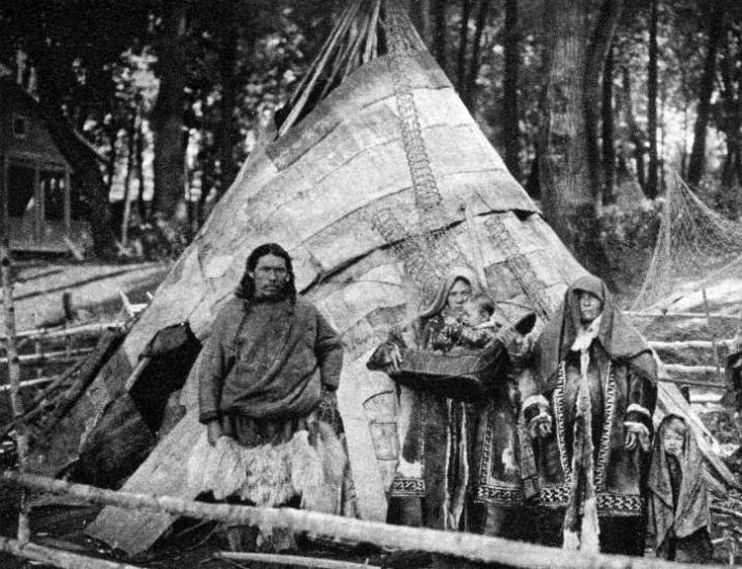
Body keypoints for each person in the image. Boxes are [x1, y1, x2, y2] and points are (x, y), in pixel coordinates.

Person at [196, 243, 350, 549]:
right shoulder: (232, 313)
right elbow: (211, 367)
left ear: (289, 275)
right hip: (241, 418)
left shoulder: (305, 312)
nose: (273, 277)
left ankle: (282, 551)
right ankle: (243, 552)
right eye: (265, 269)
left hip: (290, 418)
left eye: (280, 270)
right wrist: (211, 419)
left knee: (288, 489)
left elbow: (332, 346)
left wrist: (326, 388)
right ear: (252, 273)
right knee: (238, 489)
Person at [523, 274, 658, 555]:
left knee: (614, 524)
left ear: (603, 301)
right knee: (558, 516)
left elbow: (643, 369)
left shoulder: (622, 338)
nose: (585, 303)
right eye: (580, 298)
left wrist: (637, 414)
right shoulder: (553, 342)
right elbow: (534, 378)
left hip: (615, 446)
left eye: (592, 297)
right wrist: (538, 410)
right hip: (559, 444)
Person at [368, 268, 478, 530]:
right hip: (427, 411)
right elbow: (381, 354)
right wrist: (389, 352)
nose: (459, 299)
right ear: (444, 297)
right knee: (420, 466)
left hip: (464, 411)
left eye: (465, 293)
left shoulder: (479, 326)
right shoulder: (423, 326)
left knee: (461, 470)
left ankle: (455, 536)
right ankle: (417, 537)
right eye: (454, 294)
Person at [647, 415, 713, 563]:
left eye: (678, 439)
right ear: (661, 439)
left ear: (685, 441)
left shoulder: (689, 459)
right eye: (668, 438)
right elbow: (655, 482)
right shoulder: (658, 461)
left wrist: (680, 458)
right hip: (670, 506)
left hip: (686, 509)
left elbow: (692, 481)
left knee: (690, 549)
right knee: (668, 548)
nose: (673, 443)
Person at [434, 293, 499, 352]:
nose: (465, 318)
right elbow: (464, 326)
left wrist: (457, 329)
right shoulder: (477, 323)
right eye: (464, 314)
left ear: (483, 316)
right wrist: (454, 323)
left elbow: (475, 339)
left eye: (468, 315)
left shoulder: (488, 331)